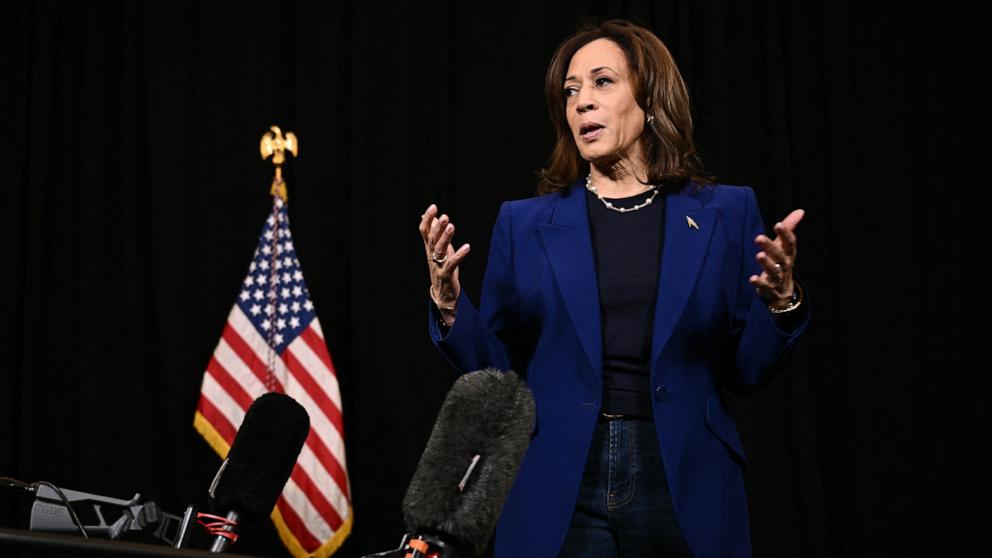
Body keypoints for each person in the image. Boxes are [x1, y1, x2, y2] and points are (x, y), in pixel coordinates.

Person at [417, 19, 808, 558]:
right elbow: (499, 374)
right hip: (559, 474)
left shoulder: (726, 212)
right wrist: (450, 306)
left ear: (649, 99)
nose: (581, 103)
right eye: (571, 91)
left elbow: (745, 371)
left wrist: (781, 303)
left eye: (602, 82)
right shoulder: (524, 224)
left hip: (682, 474)